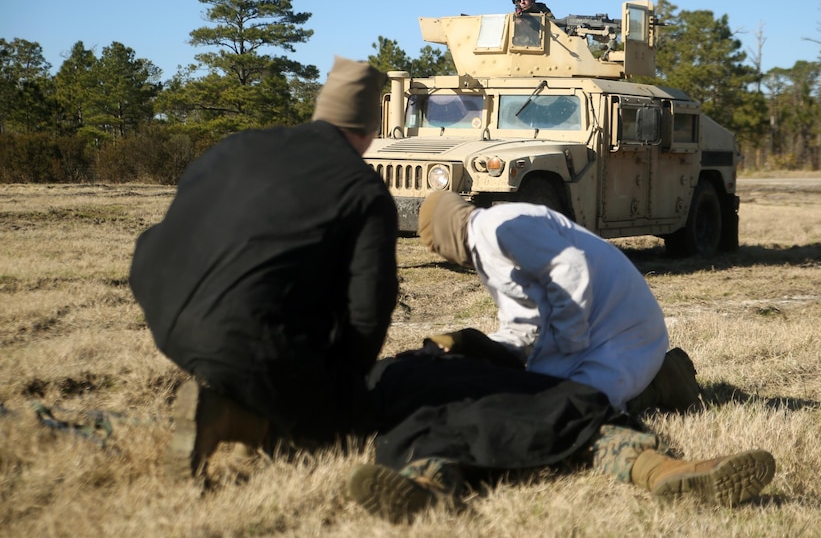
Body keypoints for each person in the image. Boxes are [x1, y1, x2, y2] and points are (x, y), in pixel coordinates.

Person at [129, 56, 398, 478]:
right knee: (343, 429)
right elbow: (369, 309)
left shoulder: (239, 144)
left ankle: (242, 398)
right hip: (238, 336)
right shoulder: (364, 190)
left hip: (164, 310)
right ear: (370, 131)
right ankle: (232, 419)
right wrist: (341, 390)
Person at [347, 349, 777, 523]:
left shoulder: (386, 373)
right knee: (587, 422)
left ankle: (428, 486)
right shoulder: (401, 369)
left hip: (451, 415)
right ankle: (663, 469)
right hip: (522, 399)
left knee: (431, 442)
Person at [416, 191, 702, 412]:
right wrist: (482, 350)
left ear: (445, 235)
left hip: (622, 329)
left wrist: (568, 344)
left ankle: (666, 378)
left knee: (579, 406)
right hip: (603, 329)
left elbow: (570, 267)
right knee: (550, 401)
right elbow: (523, 324)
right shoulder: (488, 248)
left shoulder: (497, 226)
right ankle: (650, 378)